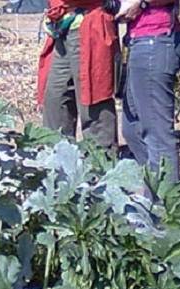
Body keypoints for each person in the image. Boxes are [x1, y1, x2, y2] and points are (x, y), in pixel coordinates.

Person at [37, 0, 120, 151]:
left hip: (89, 21)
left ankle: (101, 167)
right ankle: (56, 165)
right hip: (63, 24)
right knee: (55, 101)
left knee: (93, 102)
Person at [118, 0, 180, 183]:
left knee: (157, 135)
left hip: (156, 40)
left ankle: (166, 205)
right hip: (138, 41)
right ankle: (155, 191)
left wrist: (142, 3)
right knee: (132, 129)